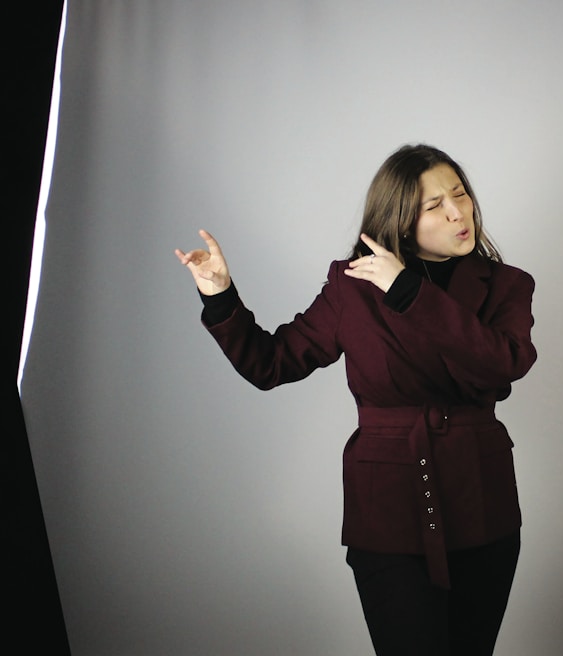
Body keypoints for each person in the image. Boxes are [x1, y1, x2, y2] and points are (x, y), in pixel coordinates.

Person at [174, 144, 537, 655]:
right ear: (400, 220)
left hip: (483, 503)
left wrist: (412, 293)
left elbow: (503, 365)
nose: (459, 212)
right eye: (435, 206)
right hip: (386, 511)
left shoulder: (507, 284)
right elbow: (271, 364)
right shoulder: (353, 286)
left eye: (461, 195)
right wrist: (220, 295)